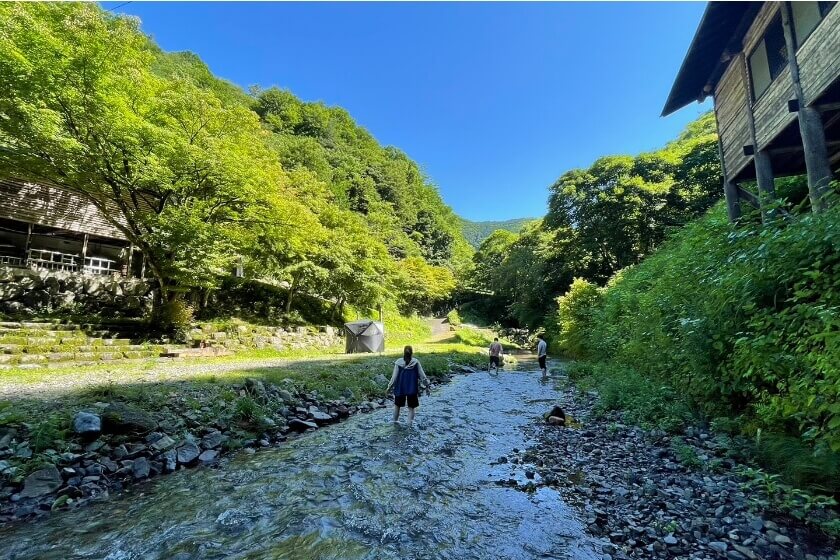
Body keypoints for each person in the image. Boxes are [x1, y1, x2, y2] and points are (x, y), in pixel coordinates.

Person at [386, 345, 430, 427]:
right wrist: (427, 387)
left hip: (400, 388)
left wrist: (389, 387)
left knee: (397, 406)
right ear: (412, 353)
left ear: (403, 352)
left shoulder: (398, 362)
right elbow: (423, 377)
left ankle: (395, 422)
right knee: (411, 408)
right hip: (412, 389)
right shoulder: (416, 362)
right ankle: (409, 426)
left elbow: (394, 377)